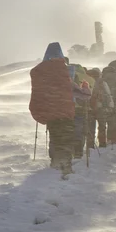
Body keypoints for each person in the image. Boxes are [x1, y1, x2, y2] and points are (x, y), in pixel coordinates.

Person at [29, 42, 75, 176]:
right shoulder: (66, 69)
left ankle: (55, 163)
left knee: (55, 136)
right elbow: (71, 88)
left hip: (50, 111)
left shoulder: (38, 70)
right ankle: (66, 165)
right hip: (66, 110)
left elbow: (37, 91)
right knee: (66, 138)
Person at [88, 67, 114, 147]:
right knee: (102, 127)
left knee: (91, 128)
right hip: (102, 108)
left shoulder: (89, 82)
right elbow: (108, 96)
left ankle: (90, 145)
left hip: (91, 108)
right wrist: (110, 107)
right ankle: (102, 144)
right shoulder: (103, 83)